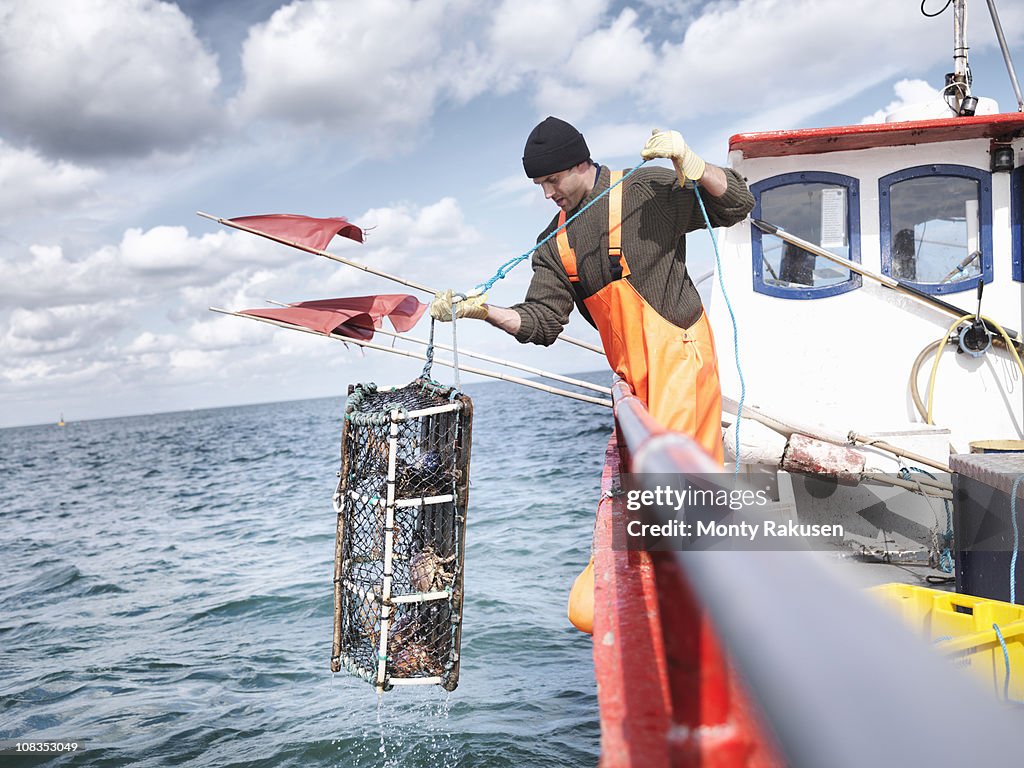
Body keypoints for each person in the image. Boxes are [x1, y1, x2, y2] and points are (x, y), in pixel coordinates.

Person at [430, 116, 754, 463]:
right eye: (539, 184)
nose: (547, 194)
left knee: (684, 483)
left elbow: (736, 203)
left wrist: (697, 165)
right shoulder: (553, 243)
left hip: (681, 368)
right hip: (632, 382)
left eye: (552, 180)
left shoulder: (643, 190)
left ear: (580, 163)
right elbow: (542, 323)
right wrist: (483, 312)